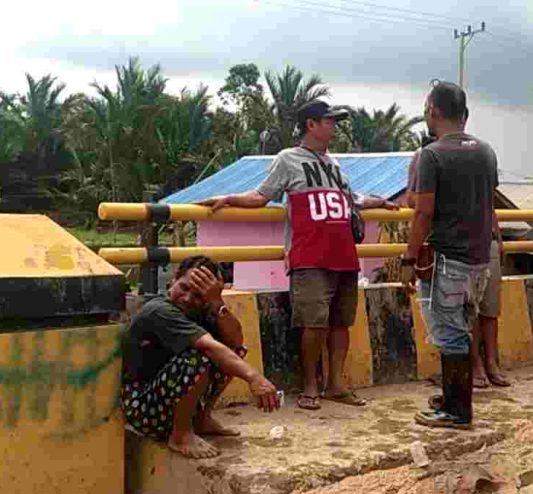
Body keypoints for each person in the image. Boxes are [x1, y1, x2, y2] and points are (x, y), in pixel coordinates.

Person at [199, 100, 397, 411]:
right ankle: (310, 386)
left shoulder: (335, 165)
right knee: (313, 322)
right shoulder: (287, 159)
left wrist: (381, 203)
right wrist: (229, 197)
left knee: (340, 322)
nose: (334, 126)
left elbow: (353, 199)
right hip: (309, 253)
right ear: (311, 125)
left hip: (343, 253)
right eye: (329, 121)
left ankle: (336, 384)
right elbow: (262, 195)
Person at [400, 80, 499, 429]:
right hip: (478, 258)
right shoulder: (486, 151)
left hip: (447, 259)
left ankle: (457, 411)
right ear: (464, 114)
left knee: (447, 330)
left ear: (433, 111)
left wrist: (409, 259)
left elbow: (422, 212)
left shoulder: (433, 154)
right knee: (461, 325)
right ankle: (453, 398)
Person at [122, 256, 279, 459]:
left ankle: (202, 420)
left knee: (232, 350)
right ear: (174, 279)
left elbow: (236, 340)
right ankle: (180, 435)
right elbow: (208, 347)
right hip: (143, 410)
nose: (187, 298)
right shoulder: (159, 310)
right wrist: (254, 377)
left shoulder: (200, 308)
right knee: (197, 357)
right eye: (184, 288)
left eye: (197, 295)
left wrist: (216, 301)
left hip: (168, 402)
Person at [407, 125, 509, 389]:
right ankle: (467, 384)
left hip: (457, 252)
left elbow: (422, 210)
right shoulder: (480, 151)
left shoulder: (442, 155)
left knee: (456, 323)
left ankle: (458, 402)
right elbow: (417, 203)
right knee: (464, 319)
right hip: (466, 250)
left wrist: (409, 257)